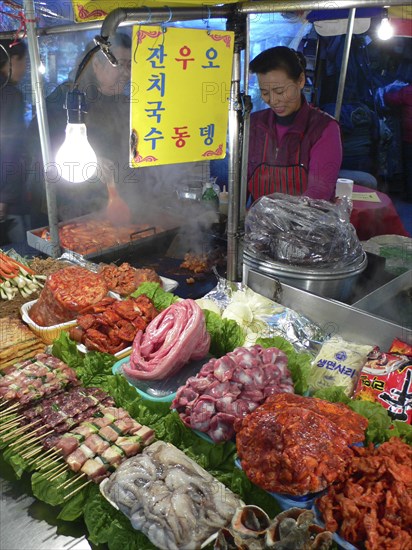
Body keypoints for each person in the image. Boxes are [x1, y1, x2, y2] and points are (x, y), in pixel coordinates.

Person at [28, 32, 210, 228]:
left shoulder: (125, 103)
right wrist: (89, 163)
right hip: (69, 210)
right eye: (120, 64)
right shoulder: (67, 100)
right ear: (96, 65)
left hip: (116, 205)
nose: (127, 72)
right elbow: (35, 146)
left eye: (130, 65)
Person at [247, 46, 342, 201]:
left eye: (279, 91)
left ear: (301, 81)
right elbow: (240, 185)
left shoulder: (323, 128)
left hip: (306, 222)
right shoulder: (254, 124)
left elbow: (319, 193)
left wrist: (278, 220)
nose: (273, 100)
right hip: (257, 222)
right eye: (264, 92)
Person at [0, 39, 29, 245]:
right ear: (12, 61)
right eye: (24, 61)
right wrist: (6, 197)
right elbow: (11, 147)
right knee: (18, 255)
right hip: (7, 194)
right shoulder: (10, 94)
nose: (25, 68)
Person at [384, 82, 412, 202]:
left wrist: (386, 90)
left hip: (409, 137)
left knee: (409, 166)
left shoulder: (407, 91)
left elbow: (390, 98)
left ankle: (410, 194)